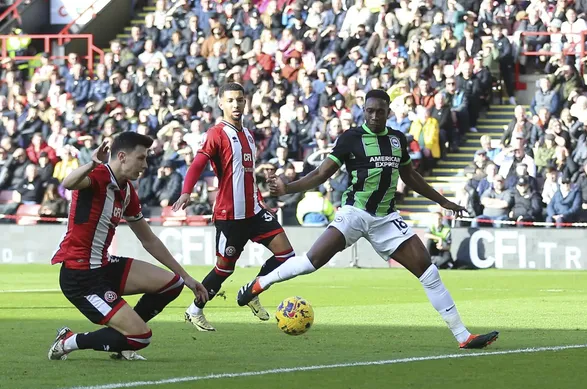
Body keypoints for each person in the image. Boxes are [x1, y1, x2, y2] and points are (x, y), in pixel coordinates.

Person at [237, 90, 498, 349]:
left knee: (429, 273)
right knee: (310, 262)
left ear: (388, 112)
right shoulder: (351, 138)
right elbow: (321, 173)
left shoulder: (397, 140)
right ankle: (258, 284)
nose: (374, 116)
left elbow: (410, 177)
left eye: (380, 111)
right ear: (363, 110)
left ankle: (463, 336)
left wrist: (442, 200)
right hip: (354, 213)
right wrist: (288, 187)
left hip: (386, 219)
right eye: (369, 110)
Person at [48, 132, 208, 361]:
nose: (145, 165)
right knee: (141, 337)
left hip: (103, 266)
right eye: (141, 158)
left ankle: (123, 338)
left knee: (173, 284)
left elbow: (149, 239)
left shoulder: (127, 191)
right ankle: (69, 341)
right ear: (122, 156)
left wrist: (187, 277)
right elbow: (68, 183)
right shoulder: (98, 175)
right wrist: (92, 163)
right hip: (80, 275)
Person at [173, 82, 296, 331]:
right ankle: (194, 310)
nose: (236, 104)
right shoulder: (217, 133)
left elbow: (242, 173)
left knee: (286, 256)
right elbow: (198, 164)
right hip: (231, 215)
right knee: (224, 269)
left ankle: (252, 290)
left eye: (240, 100)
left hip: (256, 210)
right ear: (221, 104)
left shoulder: (248, 135)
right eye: (230, 100)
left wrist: (266, 181)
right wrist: (186, 192)